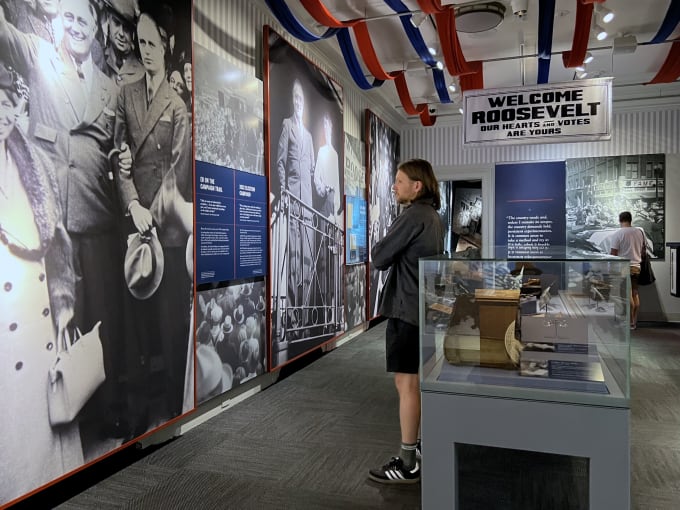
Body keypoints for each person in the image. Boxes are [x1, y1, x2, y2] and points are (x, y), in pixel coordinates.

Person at [0, 0, 131, 440]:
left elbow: (112, 148)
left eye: (83, 19)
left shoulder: (110, 88)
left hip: (97, 215)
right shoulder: (38, 55)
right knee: (60, 316)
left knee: (104, 317)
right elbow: (4, 33)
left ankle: (108, 408)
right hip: (52, 220)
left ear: (96, 30)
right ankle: (69, 415)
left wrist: (122, 159)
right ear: (57, 22)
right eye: (68, 17)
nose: (75, 26)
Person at [0, 62, 83, 503]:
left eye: (9, 101)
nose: (2, 111)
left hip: (38, 321)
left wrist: (63, 299)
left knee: (47, 434)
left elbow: (59, 244)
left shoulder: (32, 159)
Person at [115, 0, 192, 421]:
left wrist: (151, 212)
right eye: (140, 42)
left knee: (169, 326)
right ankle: (139, 413)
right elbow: (117, 155)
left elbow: (177, 170)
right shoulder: (126, 97)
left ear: (168, 45)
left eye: (152, 43)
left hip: (167, 230)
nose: (145, 50)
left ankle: (170, 414)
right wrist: (130, 202)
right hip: (134, 227)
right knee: (136, 329)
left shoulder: (177, 107)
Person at [368, 158, 444, 484]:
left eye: (399, 181)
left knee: (406, 384)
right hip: (423, 310)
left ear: (417, 186)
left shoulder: (413, 215)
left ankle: (408, 462)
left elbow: (380, 256)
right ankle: (422, 447)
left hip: (407, 311)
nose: (394, 186)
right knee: (417, 383)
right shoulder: (433, 217)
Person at [275, 78, 315, 336]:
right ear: (292, 101)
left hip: (308, 205)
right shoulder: (286, 126)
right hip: (293, 203)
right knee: (293, 260)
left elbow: (312, 172)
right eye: (295, 99)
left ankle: (305, 316)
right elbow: (280, 162)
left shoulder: (309, 137)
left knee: (308, 259)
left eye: (301, 99)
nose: (298, 103)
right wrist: (284, 190)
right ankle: (291, 318)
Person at [609, 211, 646, 330]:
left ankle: (628, 322)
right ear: (631, 220)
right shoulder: (640, 232)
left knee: (627, 295)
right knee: (635, 293)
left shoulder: (618, 234)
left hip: (624, 267)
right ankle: (634, 322)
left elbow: (613, 254)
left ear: (620, 220)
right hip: (637, 267)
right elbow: (643, 251)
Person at [101, 0, 144, 87]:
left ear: (133, 32)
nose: (121, 33)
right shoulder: (99, 59)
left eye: (126, 28)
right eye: (116, 23)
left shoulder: (143, 73)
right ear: (108, 19)